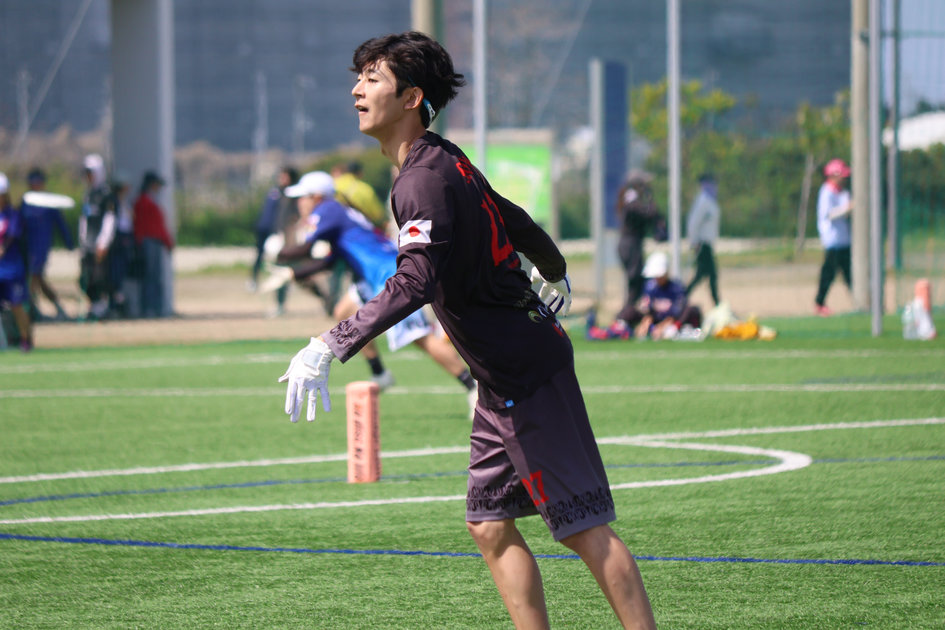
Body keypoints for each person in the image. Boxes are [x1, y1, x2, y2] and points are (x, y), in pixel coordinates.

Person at [277, 32, 655, 629]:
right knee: (489, 524)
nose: (356, 90)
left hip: (523, 371)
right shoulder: (440, 157)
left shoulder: (421, 179)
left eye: (372, 79)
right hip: (500, 375)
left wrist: (331, 343)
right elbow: (510, 214)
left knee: (582, 526)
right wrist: (552, 265)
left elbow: (414, 281)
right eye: (359, 78)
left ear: (411, 98)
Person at [272, 170, 477, 416]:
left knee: (418, 337)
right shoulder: (337, 211)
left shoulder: (328, 209)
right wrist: (293, 273)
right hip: (372, 276)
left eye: (303, 197)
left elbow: (306, 249)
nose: (299, 203)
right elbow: (329, 261)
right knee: (344, 312)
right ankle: (380, 373)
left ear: (316, 196)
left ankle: (472, 386)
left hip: (387, 274)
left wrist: (278, 253)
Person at [588, 251, 702, 340]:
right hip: (655, 321)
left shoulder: (676, 288)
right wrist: (645, 323)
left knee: (691, 309)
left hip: (671, 323)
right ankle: (616, 329)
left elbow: (676, 313)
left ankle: (675, 330)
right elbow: (648, 310)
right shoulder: (650, 286)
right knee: (629, 310)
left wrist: (663, 327)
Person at [20, 167, 74, 321]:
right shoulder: (26, 201)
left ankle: (32, 310)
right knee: (35, 279)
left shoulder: (49, 202)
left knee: (35, 277)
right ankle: (36, 309)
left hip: (41, 247)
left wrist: (68, 242)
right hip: (27, 247)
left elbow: (60, 224)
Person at [616, 169, 666, 306]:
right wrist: (650, 200)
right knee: (635, 283)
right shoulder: (631, 200)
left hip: (632, 244)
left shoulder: (633, 199)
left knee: (638, 283)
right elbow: (648, 213)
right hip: (630, 245)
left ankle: (631, 311)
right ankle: (626, 313)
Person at [78, 153, 116, 320]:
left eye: (90, 173)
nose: (88, 177)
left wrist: (103, 243)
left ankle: (102, 308)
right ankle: (93, 306)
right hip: (87, 244)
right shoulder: (88, 195)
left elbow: (110, 220)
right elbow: (84, 219)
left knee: (99, 277)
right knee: (85, 277)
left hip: (99, 244)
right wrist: (82, 240)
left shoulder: (106, 194)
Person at [814, 158, 853, 316]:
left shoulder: (844, 193)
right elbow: (828, 214)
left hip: (845, 240)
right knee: (829, 273)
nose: (844, 179)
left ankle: (862, 302)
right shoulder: (826, 192)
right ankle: (820, 303)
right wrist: (846, 209)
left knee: (851, 274)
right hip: (833, 241)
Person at [133, 170, 174, 318]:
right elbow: (145, 225)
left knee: (156, 276)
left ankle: (157, 308)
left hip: (156, 242)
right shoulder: (143, 202)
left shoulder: (150, 200)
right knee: (150, 277)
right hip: (148, 242)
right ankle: (149, 308)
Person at [0, 172, 33, 351]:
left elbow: (12, 236)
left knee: (17, 305)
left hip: (12, 269)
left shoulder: (13, 215)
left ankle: (26, 339)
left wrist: (2, 248)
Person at [685, 172, 721, 306]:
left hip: (707, 244)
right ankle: (717, 303)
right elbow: (693, 223)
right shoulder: (703, 201)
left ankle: (683, 296)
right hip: (701, 245)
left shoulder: (711, 201)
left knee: (702, 275)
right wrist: (694, 242)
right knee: (710, 274)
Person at [332, 160, 389, 230]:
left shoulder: (333, 184)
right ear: (360, 173)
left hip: (335, 228)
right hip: (360, 230)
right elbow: (378, 216)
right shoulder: (365, 189)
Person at [108, 172, 135, 318]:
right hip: (117, 242)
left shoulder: (124, 202)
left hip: (124, 241)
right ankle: (115, 305)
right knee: (114, 275)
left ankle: (119, 303)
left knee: (120, 274)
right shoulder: (114, 202)